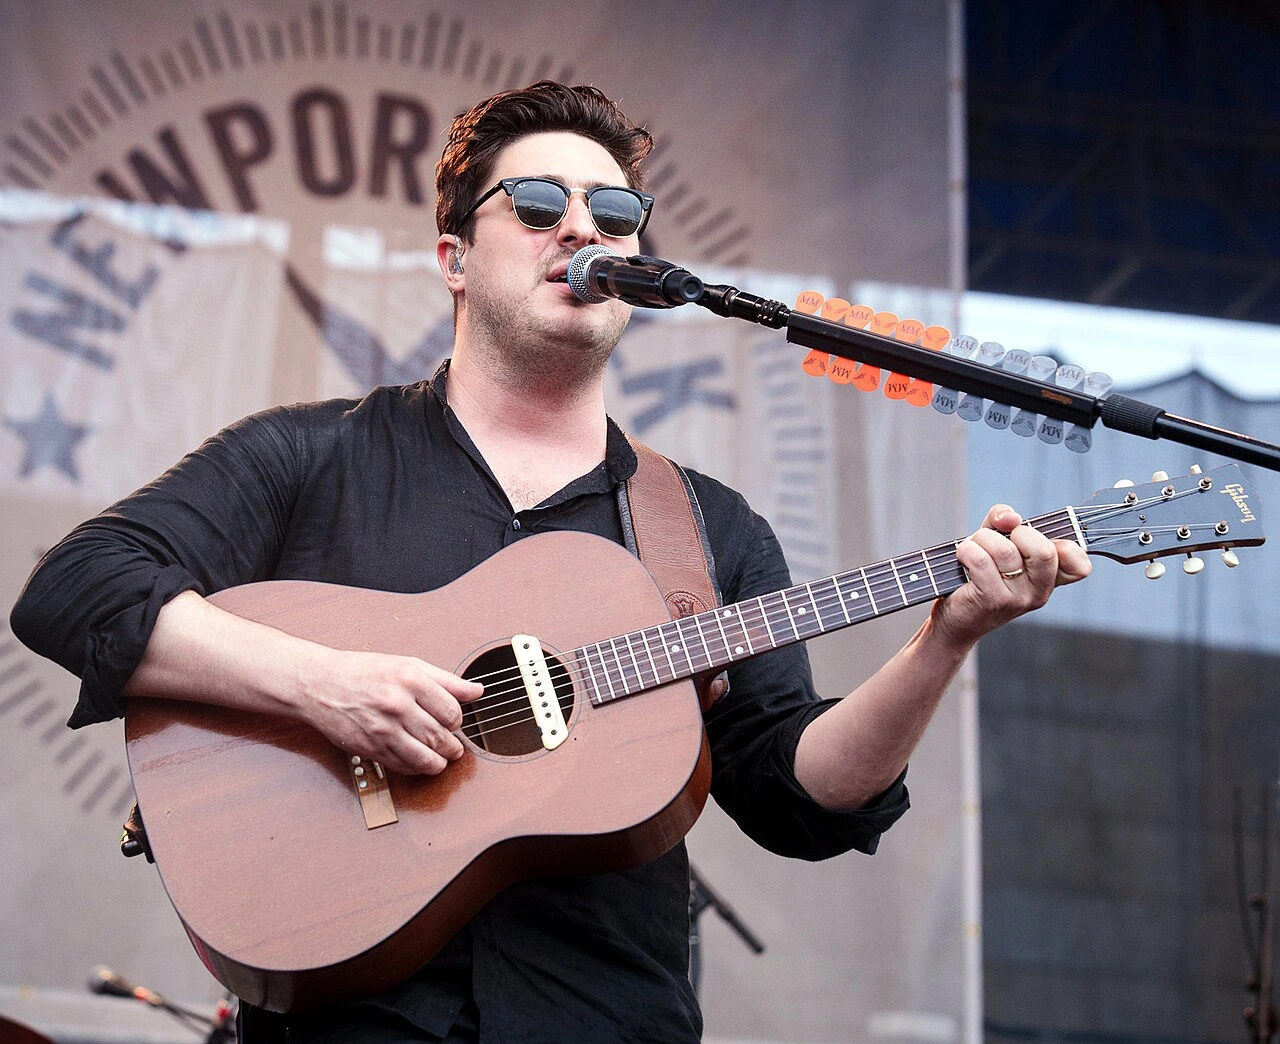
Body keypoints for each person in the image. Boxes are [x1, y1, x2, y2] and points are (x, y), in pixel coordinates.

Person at [9, 81, 1090, 1042]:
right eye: (536, 205)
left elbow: (798, 795)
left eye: (612, 213)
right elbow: (77, 588)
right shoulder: (308, 455)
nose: (581, 228)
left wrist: (943, 639)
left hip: (604, 1015)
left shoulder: (702, 530)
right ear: (455, 261)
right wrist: (330, 687)